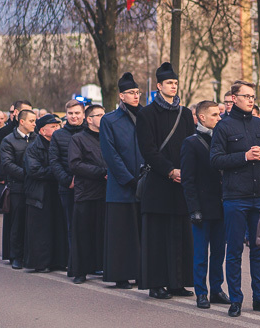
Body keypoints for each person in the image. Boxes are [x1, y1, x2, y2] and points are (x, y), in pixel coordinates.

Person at [210, 80, 260, 317]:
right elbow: (216, 160)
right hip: (235, 197)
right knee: (234, 251)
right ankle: (236, 299)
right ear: (234, 98)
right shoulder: (224, 126)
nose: (251, 99)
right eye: (246, 96)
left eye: (253, 96)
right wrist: (244, 156)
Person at [136, 62, 195, 299]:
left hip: (182, 183)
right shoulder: (146, 114)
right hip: (159, 183)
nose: (173, 86)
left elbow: (191, 144)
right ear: (158, 86)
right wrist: (170, 171)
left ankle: (177, 282)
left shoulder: (186, 113)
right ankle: (156, 283)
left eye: (175, 83)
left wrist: (187, 170)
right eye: (169, 83)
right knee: (157, 236)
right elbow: (148, 149)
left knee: (180, 234)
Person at [181, 100, 230, 309]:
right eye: (214, 115)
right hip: (202, 207)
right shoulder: (191, 143)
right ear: (201, 117)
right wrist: (194, 209)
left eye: (219, 115)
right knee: (201, 253)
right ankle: (201, 292)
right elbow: (188, 180)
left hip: (222, 205)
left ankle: (217, 289)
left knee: (219, 252)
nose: (219, 118)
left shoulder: (222, 140)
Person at [99, 72, 143, 289]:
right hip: (121, 186)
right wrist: (128, 178)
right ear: (121, 96)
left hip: (145, 183)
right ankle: (122, 275)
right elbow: (110, 153)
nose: (135, 96)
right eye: (131, 93)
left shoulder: (145, 116)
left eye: (137, 92)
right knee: (122, 233)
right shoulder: (109, 120)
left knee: (142, 232)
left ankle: (143, 272)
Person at [68, 105, 107, 284]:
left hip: (106, 192)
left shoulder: (108, 137)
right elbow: (75, 164)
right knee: (83, 233)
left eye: (104, 114)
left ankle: (103, 266)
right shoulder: (78, 139)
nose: (103, 118)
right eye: (99, 115)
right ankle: (80, 271)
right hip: (86, 192)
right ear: (89, 119)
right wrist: (101, 172)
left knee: (104, 233)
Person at [23, 114, 67, 272]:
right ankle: (40, 263)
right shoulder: (34, 147)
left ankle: (59, 261)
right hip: (39, 193)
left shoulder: (60, 144)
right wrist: (56, 171)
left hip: (57, 190)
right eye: (53, 127)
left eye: (58, 126)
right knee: (41, 230)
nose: (57, 129)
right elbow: (34, 170)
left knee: (58, 226)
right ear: (42, 131)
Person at [50, 99, 86, 275]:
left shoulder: (92, 132)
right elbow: (54, 161)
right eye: (70, 113)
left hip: (90, 186)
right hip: (68, 188)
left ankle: (93, 264)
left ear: (83, 114)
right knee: (72, 227)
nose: (74, 116)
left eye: (77, 113)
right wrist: (67, 180)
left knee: (90, 226)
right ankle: (76, 268)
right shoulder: (58, 135)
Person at [0, 109, 37, 268]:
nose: (35, 124)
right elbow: (8, 164)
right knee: (17, 222)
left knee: (33, 222)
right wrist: (28, 175)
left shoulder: (37, 139)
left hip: (35, 186)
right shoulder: (8, 141)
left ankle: (31, 255)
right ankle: (15, 256)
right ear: (22, 122)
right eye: (31, 121)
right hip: (18, 187)